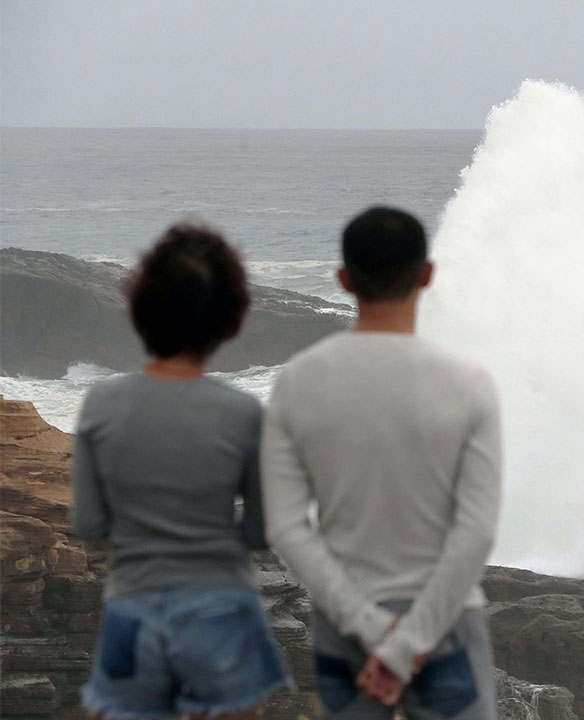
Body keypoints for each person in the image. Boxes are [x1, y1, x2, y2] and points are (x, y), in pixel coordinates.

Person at [261, 206, 502, 719]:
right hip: (447, 623)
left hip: (345, 627)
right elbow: (475, 533)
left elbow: (285, 529)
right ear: (427, 274)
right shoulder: (467, 383)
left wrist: (374, 631)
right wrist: (409, 642)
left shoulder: (299, 382)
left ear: (344, 279)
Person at [71, 223, 290, 720]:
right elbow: (260, 530)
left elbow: (89, 523)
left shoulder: (101, 405)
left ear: (141, 311)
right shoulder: (242, 413)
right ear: (228, 321)